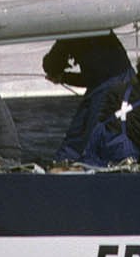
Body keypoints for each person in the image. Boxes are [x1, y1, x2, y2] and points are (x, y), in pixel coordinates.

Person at [46, 33, 134, 163]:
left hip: (111, 85)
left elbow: (93, 76)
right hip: (110, 82)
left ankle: (74, 164)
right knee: (82, 136)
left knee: (89, 138)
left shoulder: (72, 35)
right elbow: (94, 76)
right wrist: (63, 77)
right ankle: (68, 163)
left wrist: (62, 76)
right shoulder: (88, 34)